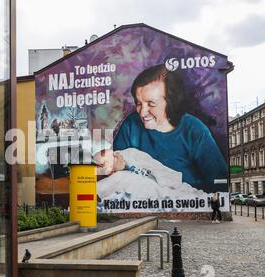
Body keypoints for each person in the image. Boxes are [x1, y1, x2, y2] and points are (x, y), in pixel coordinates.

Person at [94, 64, 227, 193]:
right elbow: (117, 171)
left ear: (171, 102)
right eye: (139, 103)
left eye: (151, 104)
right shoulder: (131, 125)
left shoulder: (195, 130)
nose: (142, 112)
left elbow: (219, 181)